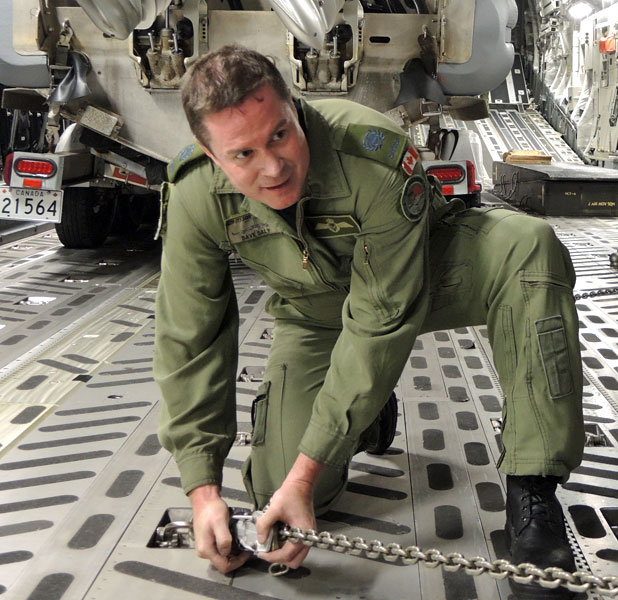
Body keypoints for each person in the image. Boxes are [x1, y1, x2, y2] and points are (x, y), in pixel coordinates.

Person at [153, 44, 584, 597]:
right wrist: (203, 491)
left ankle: (534, 492)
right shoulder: (194, 196)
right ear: (212, 157)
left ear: (296, 107)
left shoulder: (370, 157)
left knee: (529, 248)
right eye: (242, 155)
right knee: (274, 487)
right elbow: (192, 339)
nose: (272, 166)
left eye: (280, 134)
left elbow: (382, 318)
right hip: (317, 317)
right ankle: (369, 414)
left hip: (427, 272)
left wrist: (308, 469)